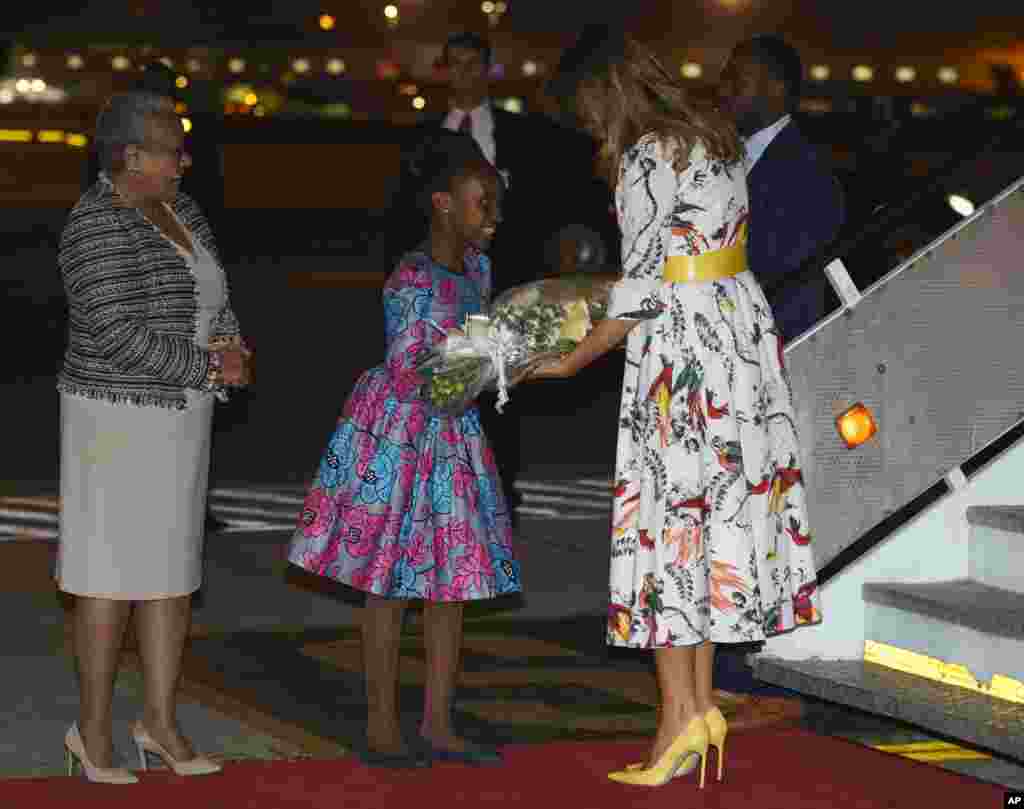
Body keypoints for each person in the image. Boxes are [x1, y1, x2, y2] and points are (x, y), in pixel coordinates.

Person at [537, 27, 822, 788]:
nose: (590, 131)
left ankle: (677, 718)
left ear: (608, 97)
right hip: (735, 338)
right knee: (703, 525)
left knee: (668, 531)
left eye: (588, 115)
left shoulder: (644, 157)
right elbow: (709, 250)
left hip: (683, 353)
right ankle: (695, 708)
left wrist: (569, 358)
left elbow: (639, 289)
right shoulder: (717, 137)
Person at [288, 131, 519, 769]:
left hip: (453, 433)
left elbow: (469, 356)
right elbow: (414, 372)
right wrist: (497, 361)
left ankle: (439, 721)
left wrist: (502, 356)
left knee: (451, 586)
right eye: (483, 204)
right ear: (443, 202)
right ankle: (383, 722)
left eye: (496, 204)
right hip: (402, 435)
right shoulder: (411, 280)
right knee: (388, 582)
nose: (494, 218)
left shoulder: (476, 268)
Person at [57, 91, 252, 783]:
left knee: (172, 574)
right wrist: (205, 364)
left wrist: (229, 344)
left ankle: (160, 722)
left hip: (182, 417)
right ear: (129, 156)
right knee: (108, 579)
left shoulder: (185, 211)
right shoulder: (91, 225)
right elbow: (115, 332)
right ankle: (93, 729)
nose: (183, 161)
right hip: (113, 419)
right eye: (171, 149)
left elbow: (213, 293)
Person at [718, 35, 845, 343]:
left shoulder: (809, 176)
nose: (723, 90)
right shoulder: (731, 156)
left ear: (775, 88)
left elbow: (782, 284)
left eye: (737, 81)